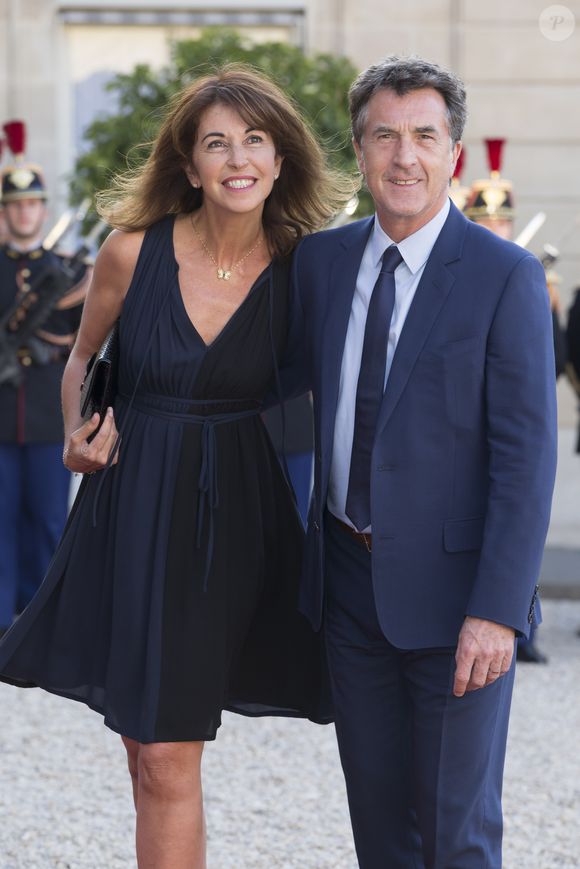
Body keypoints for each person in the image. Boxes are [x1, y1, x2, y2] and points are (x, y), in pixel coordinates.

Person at [0, 66, 352, 868]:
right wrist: (74, 433)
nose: (238, 158)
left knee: (164, 755)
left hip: (234, 513)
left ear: (281, 159)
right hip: (130, 506)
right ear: (190, 166)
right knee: (145, 751)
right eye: (216, 143)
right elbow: (80, 359)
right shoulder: (129, 253)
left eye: (255, 140)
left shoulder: (308, 269)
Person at [285, 56, 557, 867]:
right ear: (359, 150)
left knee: (454, 832)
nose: (405, 156)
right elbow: (258, 383)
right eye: (385, 136)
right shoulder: (320, 265)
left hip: (459, 602)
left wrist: (498, 609)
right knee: (379, 829)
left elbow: (526, 457)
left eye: (424, 137)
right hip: (348, 587)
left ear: (454, 153)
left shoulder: (505, 276)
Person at [464, 138, 565, 664]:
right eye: (486, 222)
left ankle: (522, 628)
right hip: (464, 434)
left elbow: (556, 357)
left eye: (502, 223)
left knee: (518, 521)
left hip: (512, 424)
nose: (496, 230)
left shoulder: (529, 277)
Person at [0, 122, 88, 637]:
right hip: (1, 416)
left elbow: (86, 343)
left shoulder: (68, 271)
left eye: (31, 204)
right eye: (15, 206)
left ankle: (42, 619)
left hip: (48, 413)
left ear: (43, 210)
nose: (24, 213)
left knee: (50, 519)